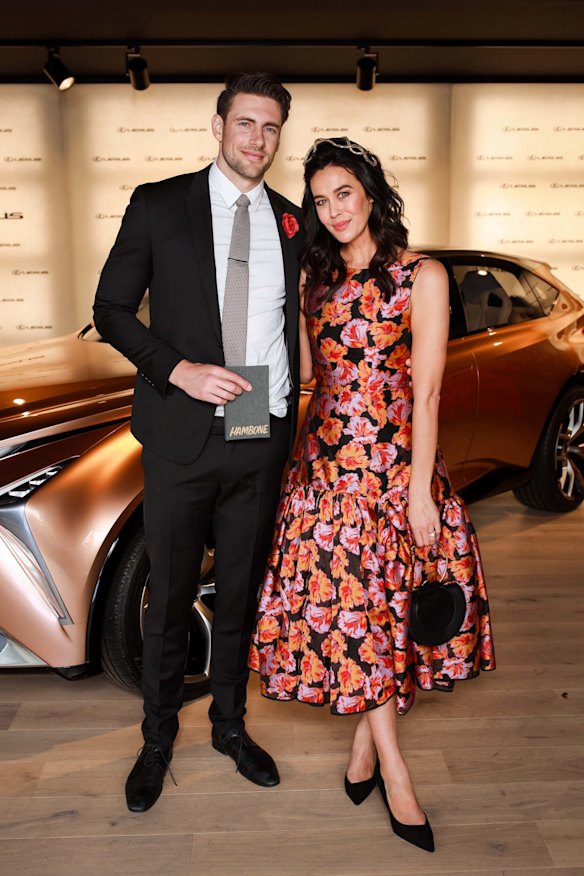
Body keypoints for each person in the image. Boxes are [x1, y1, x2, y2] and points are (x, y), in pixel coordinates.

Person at [250, 137, 496, 852]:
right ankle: (393, 769)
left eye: (344, 195)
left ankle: (368, 754)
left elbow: (427, 391)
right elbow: (294, 373)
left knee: (386, 619)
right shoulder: (314, 284)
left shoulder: (421, 276)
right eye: (321, 202)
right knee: (358, 619)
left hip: (395, 474)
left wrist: (421, 492)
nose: (334, 212)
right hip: (325, 477)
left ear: (372, 193)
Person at [93, 72, 303, 812]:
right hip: (182, 436)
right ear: (218, 125)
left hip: (258, 434)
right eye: (246, 123)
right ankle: (156, 741)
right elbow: (111, 308)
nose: (258, 140)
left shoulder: (292, 222)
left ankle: (230, 727)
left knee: (241, 590)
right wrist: (177, 369)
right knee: (169, 597)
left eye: (271, 128)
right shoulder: (159, 205)